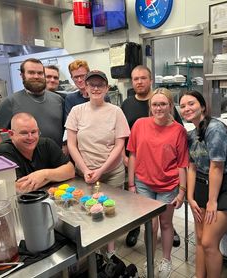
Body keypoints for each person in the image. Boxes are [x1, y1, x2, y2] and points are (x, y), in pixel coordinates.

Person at [65, 70, 130, 258]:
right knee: (89, 209)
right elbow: (71, 143)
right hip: (85, 172)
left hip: (112, 172)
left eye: (100, 85)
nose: (95, 88)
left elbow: (120, 145)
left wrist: (102, 170)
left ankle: (110, 251)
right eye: (91, 84)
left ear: (107, 88)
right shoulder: (77, 111)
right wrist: (85, 169)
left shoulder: (116, 112)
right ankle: (94, 250)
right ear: (85, 87)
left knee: (110, 210)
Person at [179, 90, 227, 278]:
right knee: (199, 238)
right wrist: (190, 197)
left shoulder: (215, 129)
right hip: (201, 184)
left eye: (191, 104)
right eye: (182, 106)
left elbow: (217, 167)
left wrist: (212, 201)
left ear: (203, 106)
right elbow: (191, 166)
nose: (186, 108)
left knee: (208, 242)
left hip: (224, 186)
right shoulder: (191, 134)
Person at [127, 88, 188, 278]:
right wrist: (131, 184)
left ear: (170, 106)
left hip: (168, 185)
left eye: (163, 104)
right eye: (155, 104)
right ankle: (150, 258)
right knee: (150, 226)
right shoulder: (140, 124)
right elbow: (133, 154)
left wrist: (181, 191)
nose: (158, 108)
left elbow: (182, 164)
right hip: (143, 183)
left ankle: (166, 260)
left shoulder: (178, 130)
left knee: (166, 223)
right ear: (150, 106)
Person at [121, 65, 182, 248]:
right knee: (143, 213)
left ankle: (169, 230)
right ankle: (135, 229)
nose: (139, 82)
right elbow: (125, 134)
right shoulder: (127, 104)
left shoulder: (162, 99)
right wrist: (126, 157)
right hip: (139, 168)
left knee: (163, 216)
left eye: (143, 78)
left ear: (150, 80)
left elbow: (176, 132)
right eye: (136, 79)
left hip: (164, 173)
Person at [0, 58, 64, 147]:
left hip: (57, 156)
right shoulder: (12, 101)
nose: (36, 76)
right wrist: (5, 152)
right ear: (22, 75)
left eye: (40, 73)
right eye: (31, 73)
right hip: (27, 159)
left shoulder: (58, 99)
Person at [0, 113, 75, 193]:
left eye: (34, 132)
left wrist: (44, 174)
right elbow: (20, 188)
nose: (30, 137)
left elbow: (70, 171)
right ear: (11, 134)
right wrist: (54, 176)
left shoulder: (46, 144)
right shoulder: (3, 153)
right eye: (24, 133)